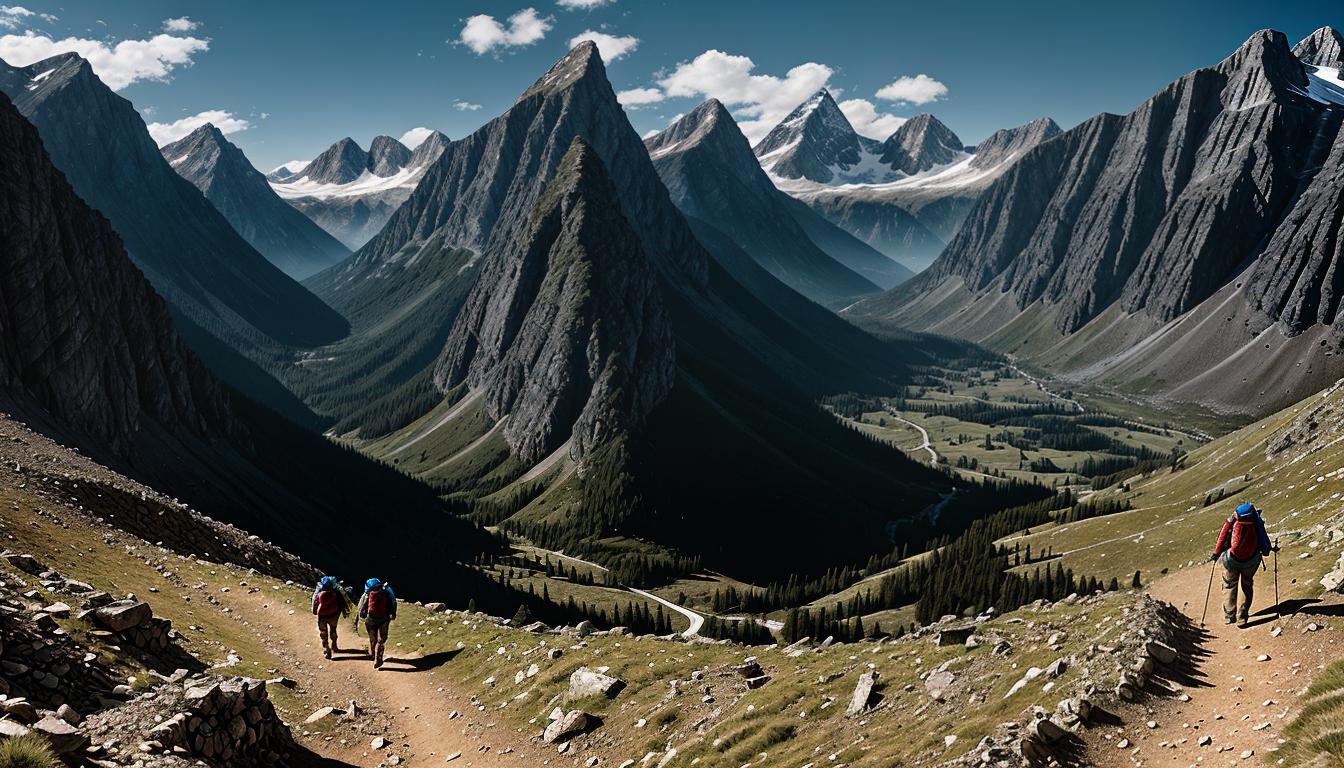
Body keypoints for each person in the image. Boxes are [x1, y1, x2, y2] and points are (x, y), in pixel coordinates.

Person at [1211, 502, 1274, 625]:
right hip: (1251, 560)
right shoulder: (1257, 522)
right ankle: (1242, 617)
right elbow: (1263, 539)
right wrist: (1267, 549)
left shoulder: (1233, 520)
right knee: (1247, 585)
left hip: (1231, 560)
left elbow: (1222, 536)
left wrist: (1216, 553)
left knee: (1229, 586)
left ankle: (1229, 616)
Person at [355, 578, 397, 668]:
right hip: (384, 619)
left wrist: (361, 616)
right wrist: (393, 614)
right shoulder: (386, 592)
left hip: (370, 620)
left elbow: (361, 607)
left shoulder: (367, 594)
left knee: (372, 638)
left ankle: (373, 655)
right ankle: (378, 658)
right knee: (382, 639)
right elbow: (393, 602)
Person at [312, 576, 350, 658]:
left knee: (323, 632)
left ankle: (326, 649)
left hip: (322, 616)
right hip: (333, 615)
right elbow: (342, 602)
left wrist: (315, 611)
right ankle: (334, 646)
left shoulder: (319, 592)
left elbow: (314, 601)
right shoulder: (336, 592)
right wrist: (344, 612)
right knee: (333, 629)